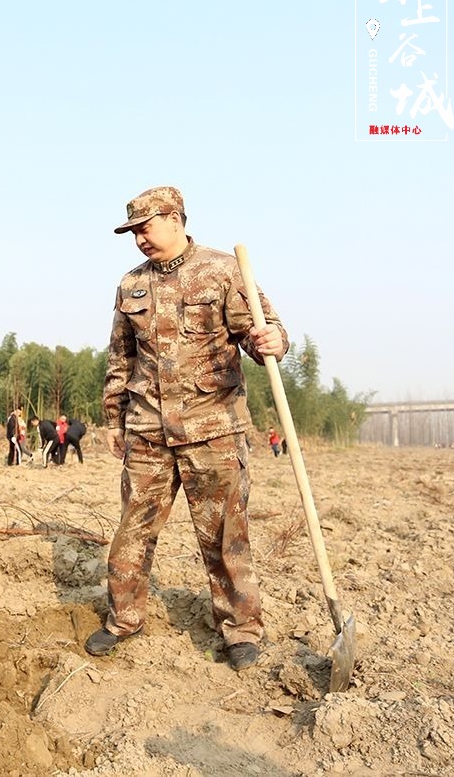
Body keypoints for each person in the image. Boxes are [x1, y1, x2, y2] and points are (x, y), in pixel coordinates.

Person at [84, 186, 288, 674]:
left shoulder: (222, 270)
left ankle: (239, 629)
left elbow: (265, 335)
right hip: (148, 431)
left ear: (175, 218)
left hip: (212, 428)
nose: (138, 240)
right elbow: (120, 357)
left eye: (145, 228)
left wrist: (272, 341)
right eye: (132, 232)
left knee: (224, 536)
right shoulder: (130, 285)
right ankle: (124, 618)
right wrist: (114, 418)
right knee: (133, 530)